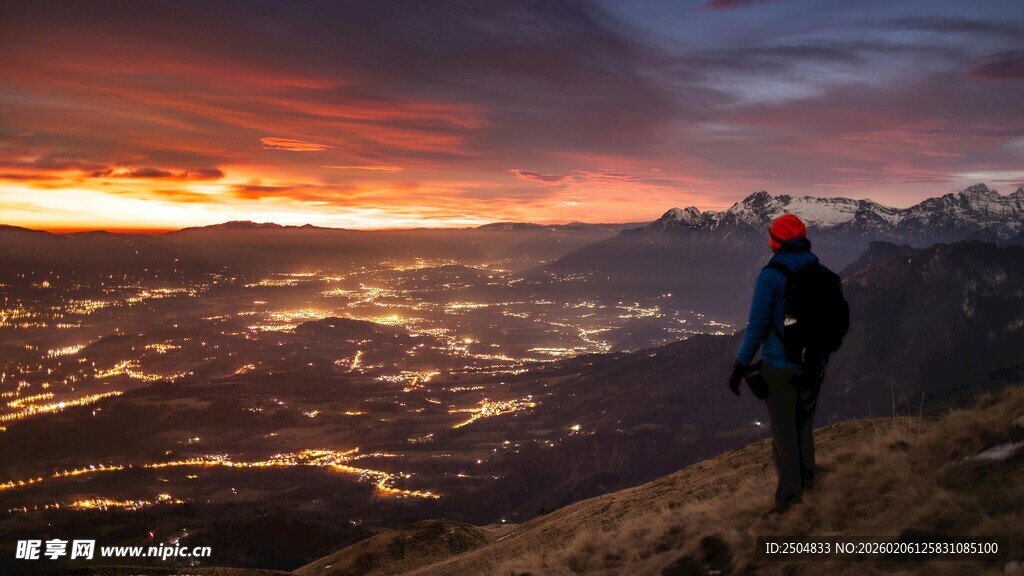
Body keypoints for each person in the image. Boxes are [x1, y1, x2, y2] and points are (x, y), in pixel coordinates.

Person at [730, 214, 827, 515]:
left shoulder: (771, 275)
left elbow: (758, 325)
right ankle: (809, 486)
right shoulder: (818, 270)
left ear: (777, 240)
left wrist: (741, 364)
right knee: (803, 428)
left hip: (780, 367)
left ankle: (789, 502)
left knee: (784, 435)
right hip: (812, 366)